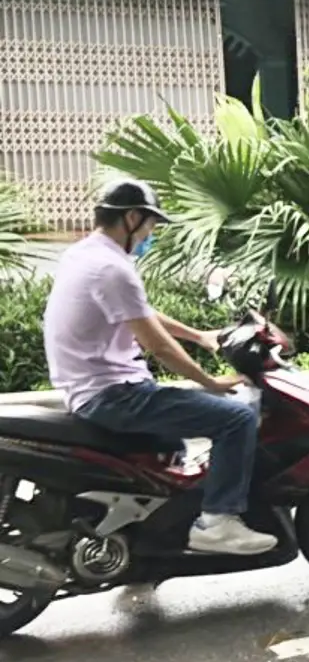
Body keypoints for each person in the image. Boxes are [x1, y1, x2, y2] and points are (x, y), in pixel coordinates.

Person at [43, 180, 276, 556]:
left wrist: (199, 336)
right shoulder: (113, 269)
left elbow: (140, 313)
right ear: (132, 218)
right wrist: (211, 382)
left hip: (89, 390)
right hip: (115, 395)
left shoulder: (83, 255)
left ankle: (143, 543)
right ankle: (218, 522)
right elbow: (157, 346)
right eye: (150, 225)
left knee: (173, 451)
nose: (150, 234)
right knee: (236, 419)